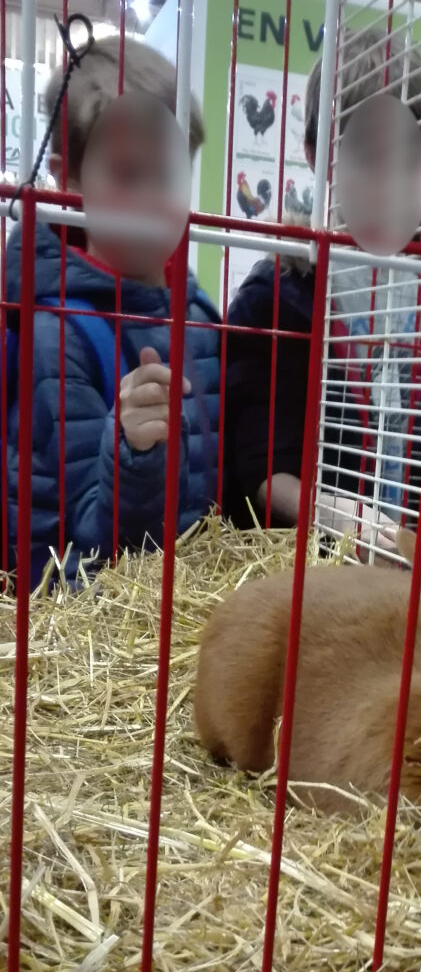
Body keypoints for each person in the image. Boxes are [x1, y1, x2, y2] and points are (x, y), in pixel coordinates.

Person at [5, 36, 221, 588]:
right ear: (69, 181)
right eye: (126, 175)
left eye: (168, 175)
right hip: (88, 635)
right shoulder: (56, 334)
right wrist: (136, 454)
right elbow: (87, 536)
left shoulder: (199, 315)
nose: (152, 197)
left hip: (182, 608)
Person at [223, 27, 421, 549]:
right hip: (306, 574)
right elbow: (255, 465)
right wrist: (339, 516)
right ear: (316, 154)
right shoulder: (274, 297)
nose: (392, 182)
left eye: (411, 158)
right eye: (369, 157)